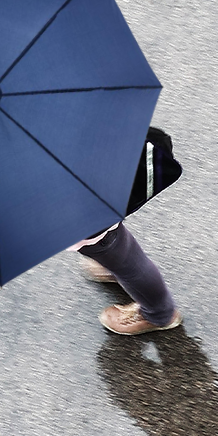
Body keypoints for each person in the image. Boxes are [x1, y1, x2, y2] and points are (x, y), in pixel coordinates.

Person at [71, 127, 183, 336]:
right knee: (113, 245)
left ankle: (159, 314)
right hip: (98, 177)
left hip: (80, 207)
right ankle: (111, 261)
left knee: (123, 260)